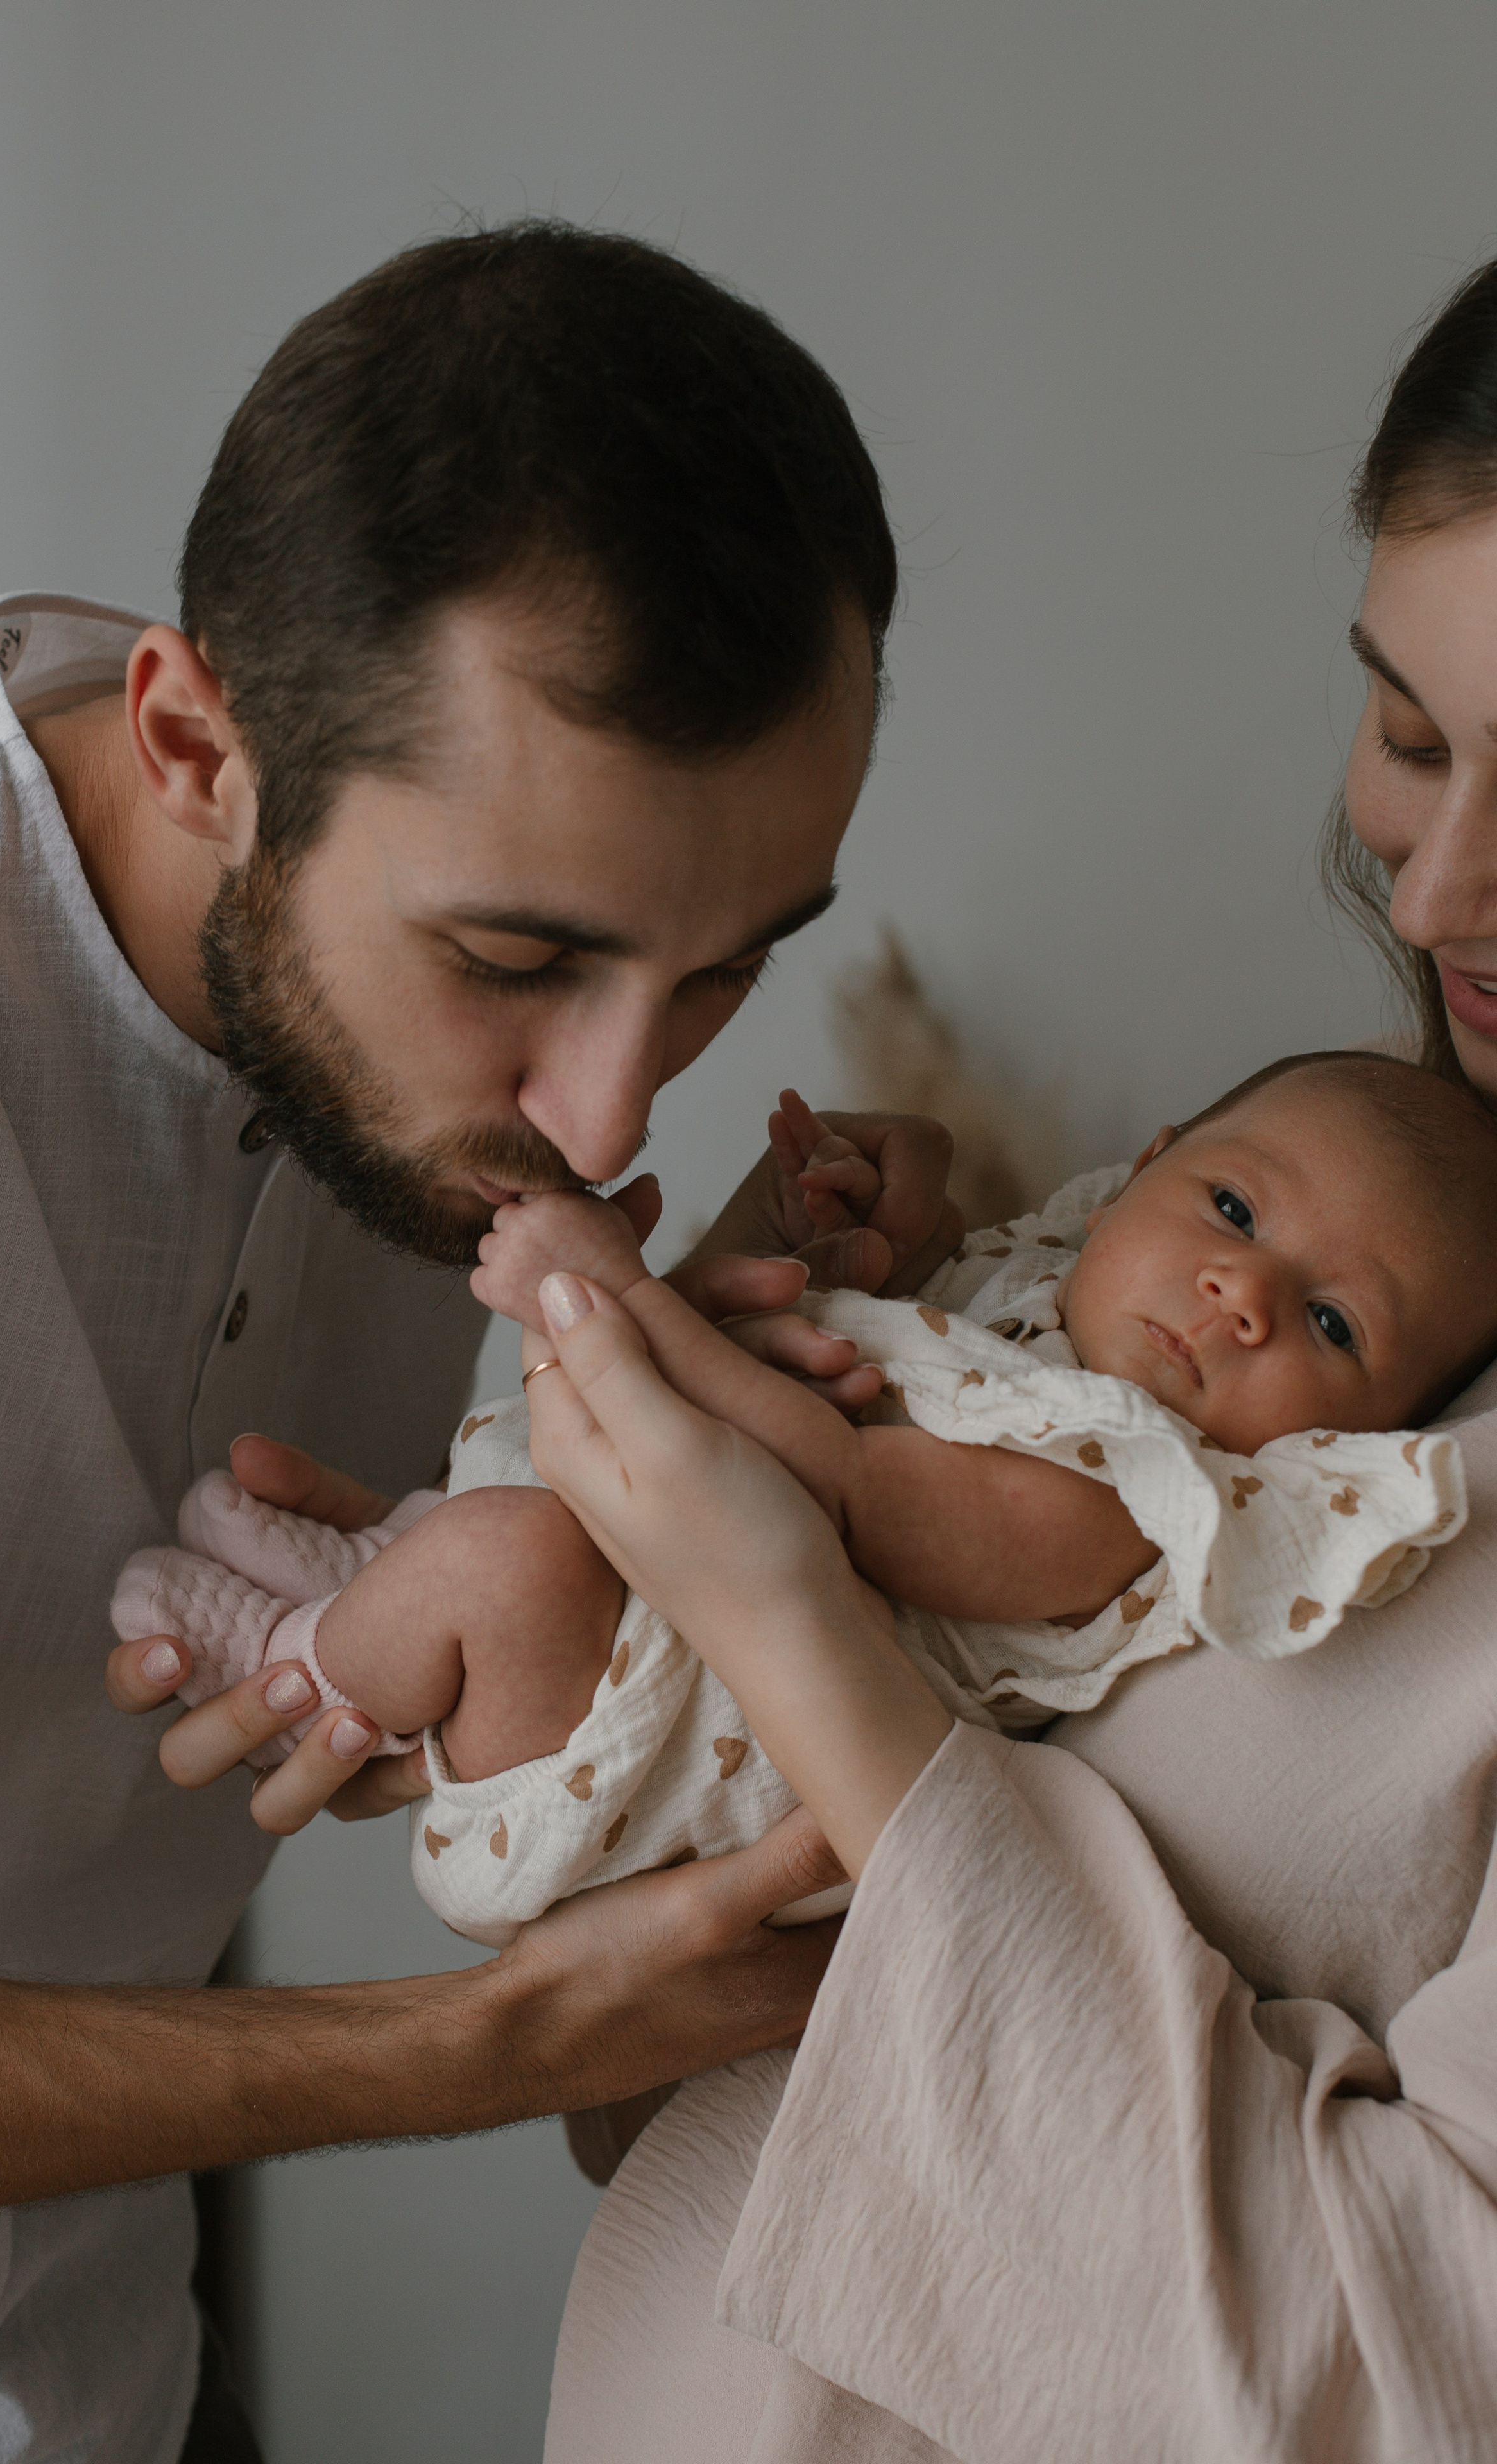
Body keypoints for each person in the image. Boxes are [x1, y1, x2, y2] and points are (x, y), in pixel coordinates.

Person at [0, 220, 967, 2462]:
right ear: (196, 741)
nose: (608, 1116)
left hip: (98, 2373)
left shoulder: (423, 1093)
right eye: (517, 958)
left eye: (729, 965)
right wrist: (473, 2046)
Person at [513, 258, 1497, 2460]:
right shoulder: (1310, 1274)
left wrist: (795, 1619)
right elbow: (744, 2095)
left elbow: (1409, 2380)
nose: (1431, 901)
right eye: (1415, 739)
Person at [117, 1048, 1481, 1954]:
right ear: (1144, 1164)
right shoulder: (1038, 1304)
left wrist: (609, 1294)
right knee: (510, 1532)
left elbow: (841, 1479)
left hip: (669, 1759)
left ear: (1358, 1444)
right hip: (650, 1593)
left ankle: (301, 1668)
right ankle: (377, 1577)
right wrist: (833, 1241)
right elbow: (844, 1357)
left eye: (1329, 1323)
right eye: (1233, 1209)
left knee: (514, 1562)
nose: (1237, 1295)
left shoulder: (1129, 1509)